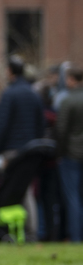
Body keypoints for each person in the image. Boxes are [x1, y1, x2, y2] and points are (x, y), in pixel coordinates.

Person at [0, 55, 46, 241]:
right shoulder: (33, 94)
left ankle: (12, 231)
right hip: (31, 149)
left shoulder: (9, 94)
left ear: (10, 71)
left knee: (12, 189)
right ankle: (30, 231)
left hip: (12, 150)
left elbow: (2, 125)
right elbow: (41, 123)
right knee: (27, 190)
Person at [55, 66, 83, 243]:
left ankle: (76, 237)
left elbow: (61, 130)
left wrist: (59, 153)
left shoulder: (68, 101)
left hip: (71, 154)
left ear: (72, 79)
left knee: (73, 198)